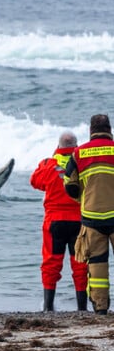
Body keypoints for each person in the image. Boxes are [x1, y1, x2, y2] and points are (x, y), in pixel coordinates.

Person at [30, 131, 87, 311]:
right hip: (78, 222)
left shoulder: (48, 164)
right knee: (80, 264)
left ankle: (48, 307)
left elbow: (35, 182)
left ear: (58, 146)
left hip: (54, 222)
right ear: (76, 146)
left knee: (51, 264)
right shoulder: (83, 165)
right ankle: (82, 309)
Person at [65, 114, 114, 314]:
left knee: (97, 266)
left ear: (90, 131)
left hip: (92, 218)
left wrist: (84, 199)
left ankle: (101, 309)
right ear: (109, 129)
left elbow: (70, 186)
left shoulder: (78, 154)